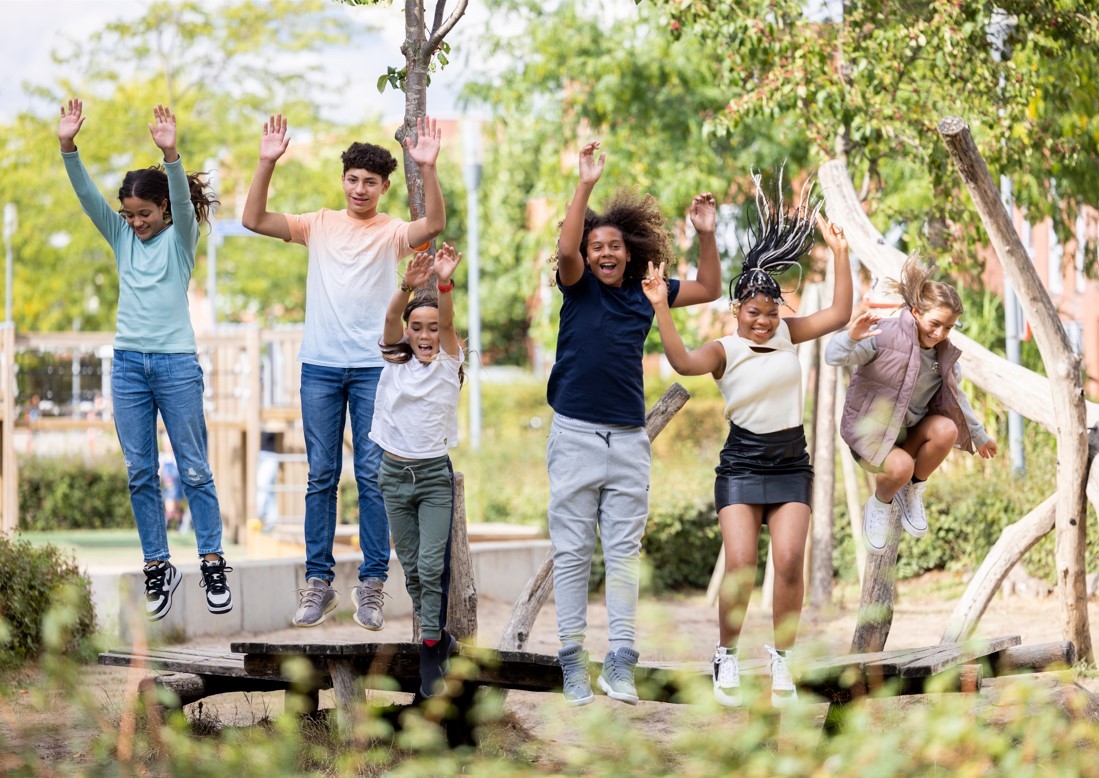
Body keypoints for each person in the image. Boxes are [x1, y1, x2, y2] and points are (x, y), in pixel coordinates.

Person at [643, 175, 851, 708]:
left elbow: (839, 315)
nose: (763, 321)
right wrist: (661, 306)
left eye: (771, 313)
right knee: (740, 564)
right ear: (737, 310)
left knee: (789, 560)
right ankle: (726, 654)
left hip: (791, 463)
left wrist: (839, 253)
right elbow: (682, 362)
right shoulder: (723, 349)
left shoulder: (787, 333)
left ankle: (782, 658)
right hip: (741, 465)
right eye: (753, 313)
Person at [242, 114, 446, 629]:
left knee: (374, 475)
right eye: (353, 179)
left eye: (370, 182)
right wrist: (266, 162)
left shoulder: (392, 232)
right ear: (343, 180)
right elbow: (253, 219)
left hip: (374, 368)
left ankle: (372, 585)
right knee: (321, 475)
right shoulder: (318, 224)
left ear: (384, 187)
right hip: (320, 368)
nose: (359, 189)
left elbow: (432, 226)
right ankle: (318, 583)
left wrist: (429, 167)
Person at [548, 140, 721, 707]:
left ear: (630, 253)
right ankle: (572, 660)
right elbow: (566, 247)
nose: (604, 252)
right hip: (574, 436)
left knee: (624, 556)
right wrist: (585, 184)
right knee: (573, 553)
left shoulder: (648, 292)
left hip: (628, 441)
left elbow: (710, 288)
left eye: (614, 246)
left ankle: (620, 662)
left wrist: (707, 234)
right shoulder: (576, 285)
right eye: (596, 245)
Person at [58, 98, 232, 621]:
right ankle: (158, 564)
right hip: (130, 366)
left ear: (165, 211)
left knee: (194, 468)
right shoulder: (121, 237)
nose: (136, 223)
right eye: (130, 215)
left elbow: (180, 194)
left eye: (145, 214)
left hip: (176, 366)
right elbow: (88, 196)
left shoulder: (180, 240)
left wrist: (171, 155)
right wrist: (68, 147)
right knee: (140, 471)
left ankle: (212, 561)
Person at [825, 255, 998, 556]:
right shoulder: (883, 335)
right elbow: (833, 357)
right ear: (916, 312)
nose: (940, 333)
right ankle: (880, 503)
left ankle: (912, 488)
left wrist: (979, 435)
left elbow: (958, 397)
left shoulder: (943, 355)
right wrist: (851, 338)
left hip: (907, 433)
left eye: (948, 328)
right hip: (870, 435)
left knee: (947, 429)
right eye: (935, 324)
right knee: (902, 465)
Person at [370, 243, 464, 698]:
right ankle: (439, 639)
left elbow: (448, 322)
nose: (426, 335)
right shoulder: (395, 363)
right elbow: (391, 318)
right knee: (411, 570)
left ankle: (429, 654)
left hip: (431, 479)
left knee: (431, 566)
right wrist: (407, 286)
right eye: (417, 328)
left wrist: (443, 283)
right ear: (407, 332)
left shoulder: (448, 364)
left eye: (432, 328)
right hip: (393, 476)